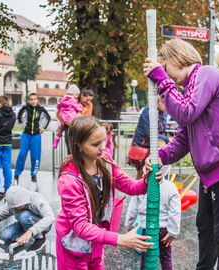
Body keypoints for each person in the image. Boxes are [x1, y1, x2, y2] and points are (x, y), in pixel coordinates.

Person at [143, 38, 219, 270]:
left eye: (165, 69)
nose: (165, 76)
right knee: (205, 229)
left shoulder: (207, 73)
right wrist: (160, 157)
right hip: (211, 174)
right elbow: (184, 138)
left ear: (176, 58)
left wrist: (162, 80)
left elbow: (185, 113)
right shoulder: (191, 88)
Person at [56, 115, 162, 270]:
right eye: (96, 144)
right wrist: (120, 239)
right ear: (79, 145)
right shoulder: (69, 180)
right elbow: (80, 227)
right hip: (73, 246)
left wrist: (147, 181)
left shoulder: (105, 163)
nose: (102, 147)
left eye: (103, 141)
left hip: (96, 240)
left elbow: (130, 186)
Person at [125, 139, 179, 270]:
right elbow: (175, 212)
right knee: (166, 258)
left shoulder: (141, 187)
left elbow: (132, 210)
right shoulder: (171, 187)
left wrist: (129, 226)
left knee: (146, 257)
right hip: (165, 230)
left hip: (146, 229)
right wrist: (173, 232)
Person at [0, 186, 55, 252]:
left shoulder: (37, 199)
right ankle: (21, 240)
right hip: (24, 223)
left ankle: (39, 237)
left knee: (23, 215)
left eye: (19, 206)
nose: (16, 208)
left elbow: (50, 217)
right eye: (14, 206)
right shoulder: (11, 203)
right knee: (4, 236)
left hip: (42, 226)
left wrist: (30, 232)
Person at [14, 93, 51, 184]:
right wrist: (20, 123)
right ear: (29, 101)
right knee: (22, 154)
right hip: (26, 135)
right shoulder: (25, 108)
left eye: (35, 99)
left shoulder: (41, 110)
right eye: (31, 99)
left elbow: (48, 118)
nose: (33, 101)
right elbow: (19, 114)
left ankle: (34, 175)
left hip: (36, 136)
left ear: (38, 100)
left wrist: (43, 128)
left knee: (35, 156)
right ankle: (16, 175)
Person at [130, 97, 169, 179]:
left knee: (152, 174)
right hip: (142, 146)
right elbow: (149, 132)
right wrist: (167, 139)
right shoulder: (148, 111)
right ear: (159, 102)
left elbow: (161, 130)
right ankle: (138, 191)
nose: (169, 107)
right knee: (142, 175)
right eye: (167, 104)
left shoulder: (163, 113)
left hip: (154, 146)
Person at [54, 84, 82, 153]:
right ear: (73, 94)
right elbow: (78, 109)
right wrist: (80, 107)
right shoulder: (73, 101)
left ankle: (56, 141)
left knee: (61, 131)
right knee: (71, 140)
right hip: (71, 119)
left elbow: (58, 106)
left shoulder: (63, 99)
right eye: (76, 95)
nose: (77, 97)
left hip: (64, 118)